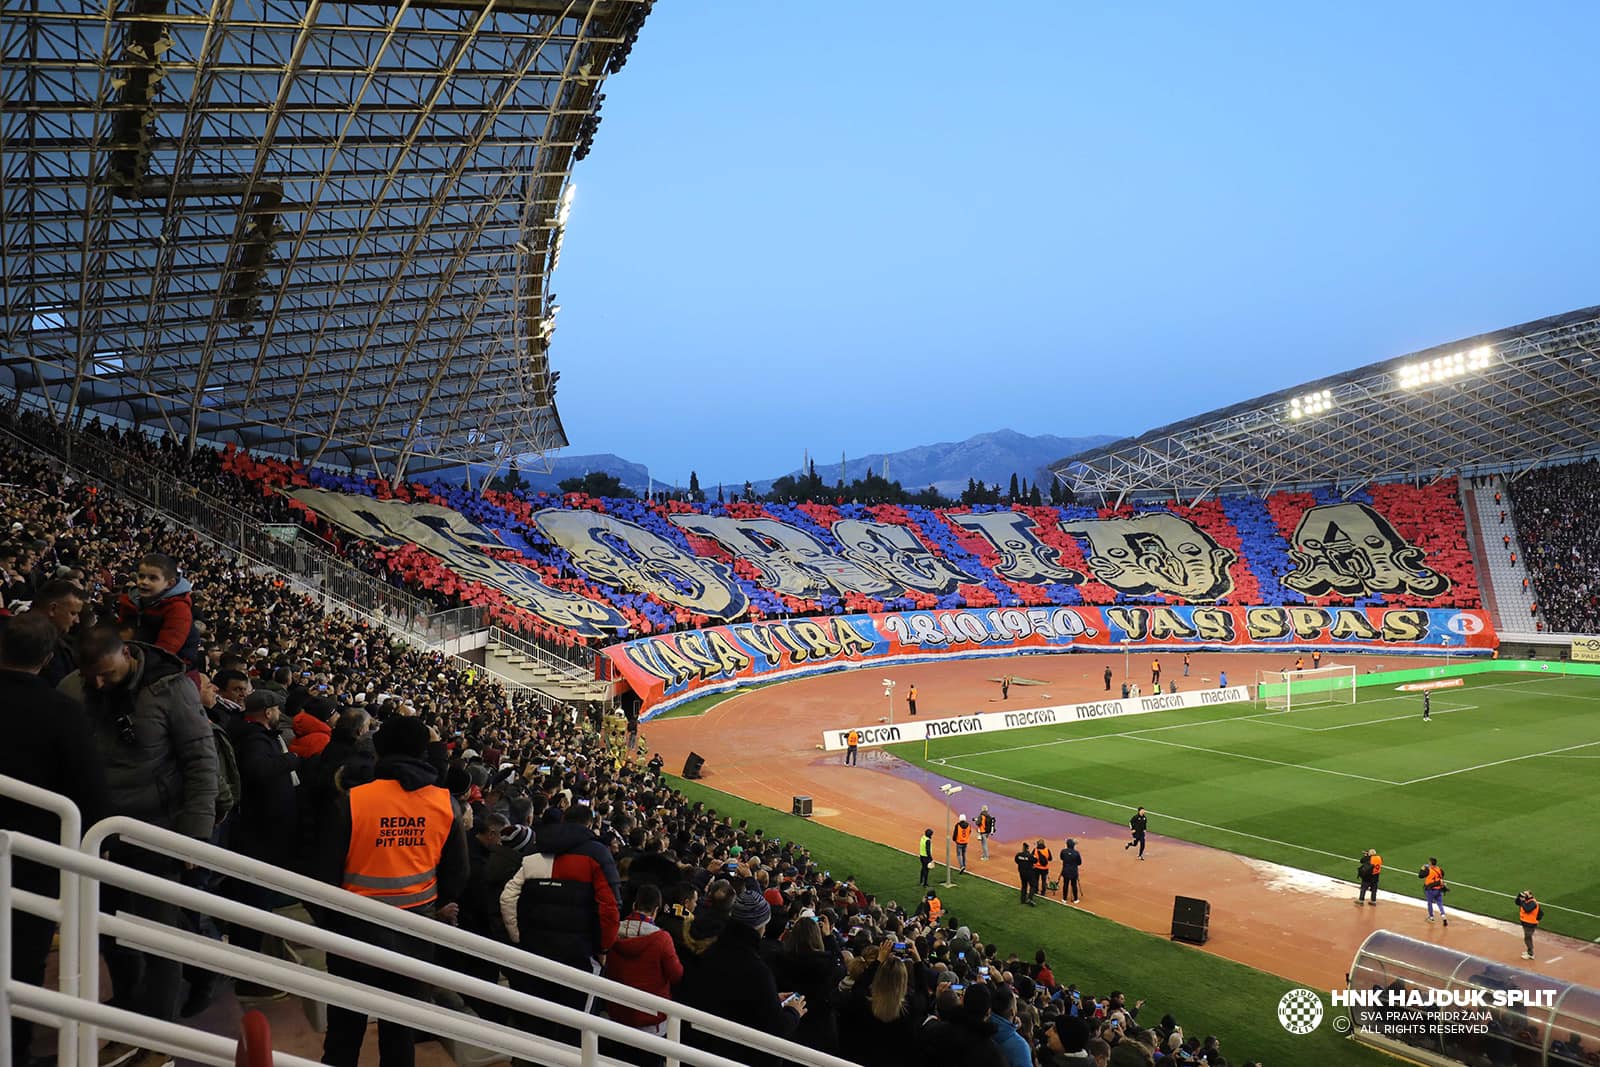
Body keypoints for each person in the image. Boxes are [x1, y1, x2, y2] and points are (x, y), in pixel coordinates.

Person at [60, 625, 217, 1037]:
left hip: (157, 829)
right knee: (111, 925)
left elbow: (201, 762)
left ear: (126, 655)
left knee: (158, 932)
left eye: (106, 674)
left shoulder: (171, 689)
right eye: (89, 674)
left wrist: (193, 836)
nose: (97, 683)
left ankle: (156, 1032)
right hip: (97, 830)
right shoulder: (73, 688)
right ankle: (129, 1007)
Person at [315, 715, 466, 1067]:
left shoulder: (351, 801)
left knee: (344, 1031)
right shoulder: (446, 803)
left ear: (379, 752)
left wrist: (332, 924)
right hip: (415, 933)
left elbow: (322, 874)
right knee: (400, 1035)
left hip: (353, 932)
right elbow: (458, 874)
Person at [2, 613, 109, 1065]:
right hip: (35, 855)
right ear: (48, 659)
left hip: (32, 852)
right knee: (22, 958)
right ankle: (14, 1049)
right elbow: (89, 790)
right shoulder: (62, 711)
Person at [500, 801, 622, 1041]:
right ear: (590, 824)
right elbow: (610, 908)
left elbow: (507, 898)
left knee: (536, 1023)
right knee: (574, 1029)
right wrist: (604, 948)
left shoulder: (535, 850)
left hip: (534, 950)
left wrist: (518, 937)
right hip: (579, 957)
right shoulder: (597, 853)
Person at [600, 882, 684, 1066]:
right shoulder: (662, 940)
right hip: (651, 1024)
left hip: (617, 1016)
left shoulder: (612, 931)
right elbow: (676, 974)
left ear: (634, 906)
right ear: (656, 910)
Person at [115, 552, 200, 665]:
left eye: (153, 578)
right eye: (141, 576)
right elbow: (121, 631)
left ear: (169, 583)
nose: (144, 582)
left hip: (174, 662)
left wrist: (136, 665)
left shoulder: (179, 608)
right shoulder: (131, 600)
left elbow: (166, 649)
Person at [1420, 858, 1448, 926]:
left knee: (1430, 903)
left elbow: (1420, 876)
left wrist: (1422, 868)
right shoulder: (1439, 869)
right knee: (1440, 904)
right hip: (1439, 889)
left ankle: (1431, 917)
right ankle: (1443, 916)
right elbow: (1443, 875)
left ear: (1430, 863)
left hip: (1430, 890)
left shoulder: (1428, 870)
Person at [1517, 890, 1542, 960]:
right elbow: (1517, 902)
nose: (1524, 895)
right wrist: (1519, 896)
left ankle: (1530, 954)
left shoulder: (1533, 902)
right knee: (1527, 937)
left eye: (1526, 894)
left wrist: (1522, 901)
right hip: (1526, 922)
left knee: (1527, 938)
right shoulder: (1526, 901)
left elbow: (1527, 909)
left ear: (1530, 895)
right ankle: (1529, 951)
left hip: (1530, 924)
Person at [1060, 838, 1083, 904]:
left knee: (1065, 884)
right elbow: (1079, 863)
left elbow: (1061, 858)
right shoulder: (1076, 853)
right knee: (1074, 885)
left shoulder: (1063, 851)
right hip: (1073, 871)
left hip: (1065, 870)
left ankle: (1064, 899)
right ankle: (1075, 899)